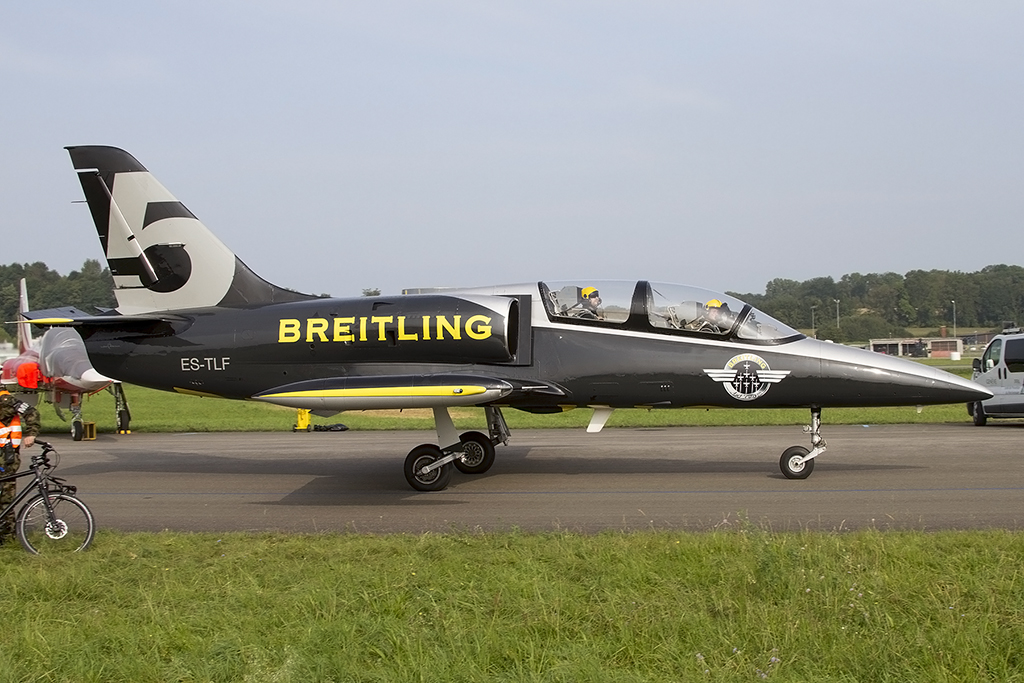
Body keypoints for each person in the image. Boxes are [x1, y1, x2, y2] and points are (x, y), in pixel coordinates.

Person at [0, 389, 40, 544]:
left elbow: (31, 412)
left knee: (5, 498)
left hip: (5, 458)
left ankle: (6, 537)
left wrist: (31, 434)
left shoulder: (5, 400)